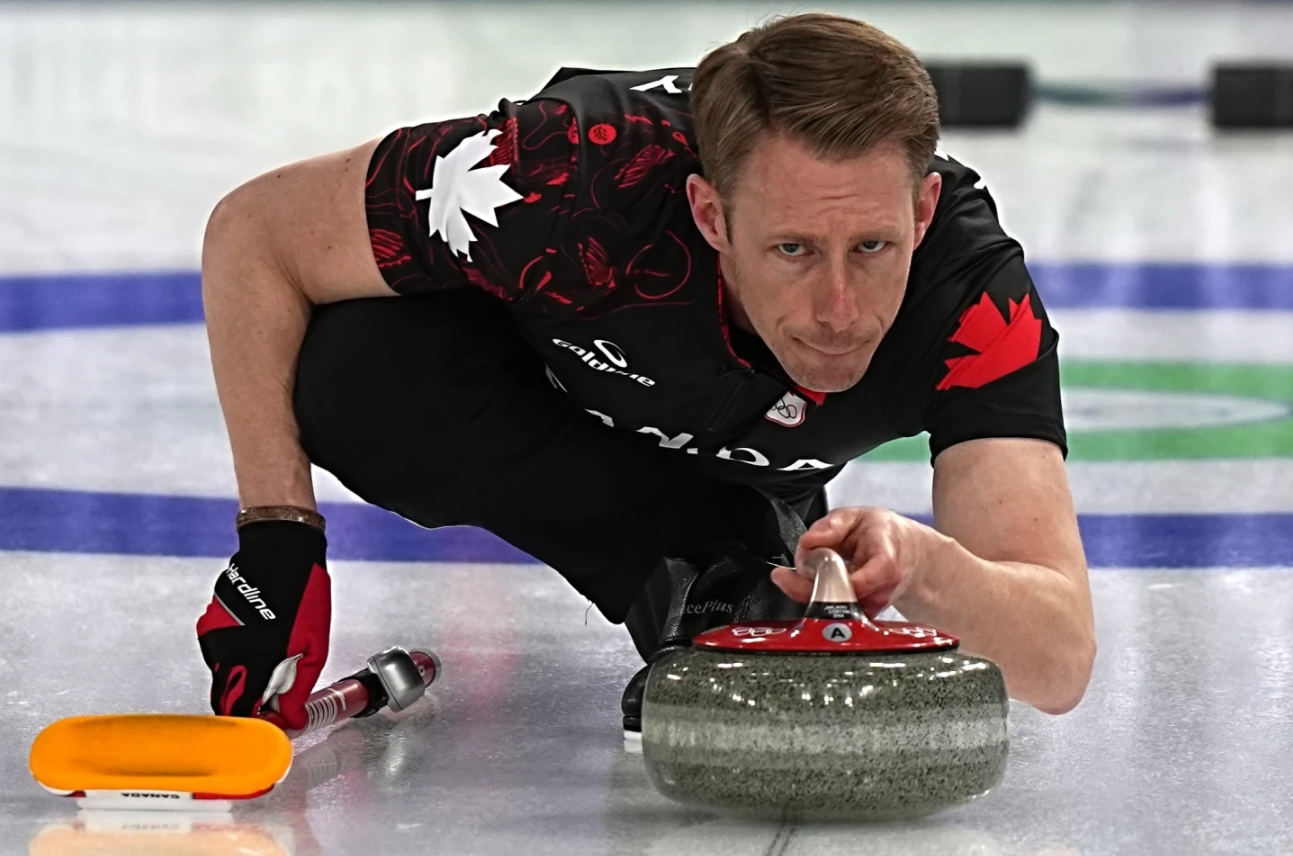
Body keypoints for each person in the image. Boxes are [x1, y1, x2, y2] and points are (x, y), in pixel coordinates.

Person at [194, 12, 1096, 740]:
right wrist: (278, 538)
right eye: (790, 249)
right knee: (358, 374)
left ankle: (724, 548)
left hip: (750, 459)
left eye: (873, 246)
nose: (838, 309)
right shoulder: (571, 171)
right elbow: (256, 232)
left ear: (922, 207)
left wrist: (926, 567)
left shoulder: (971, 295)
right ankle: (701, 548)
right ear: (708, 211)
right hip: (537, 404)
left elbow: (1057, 660)